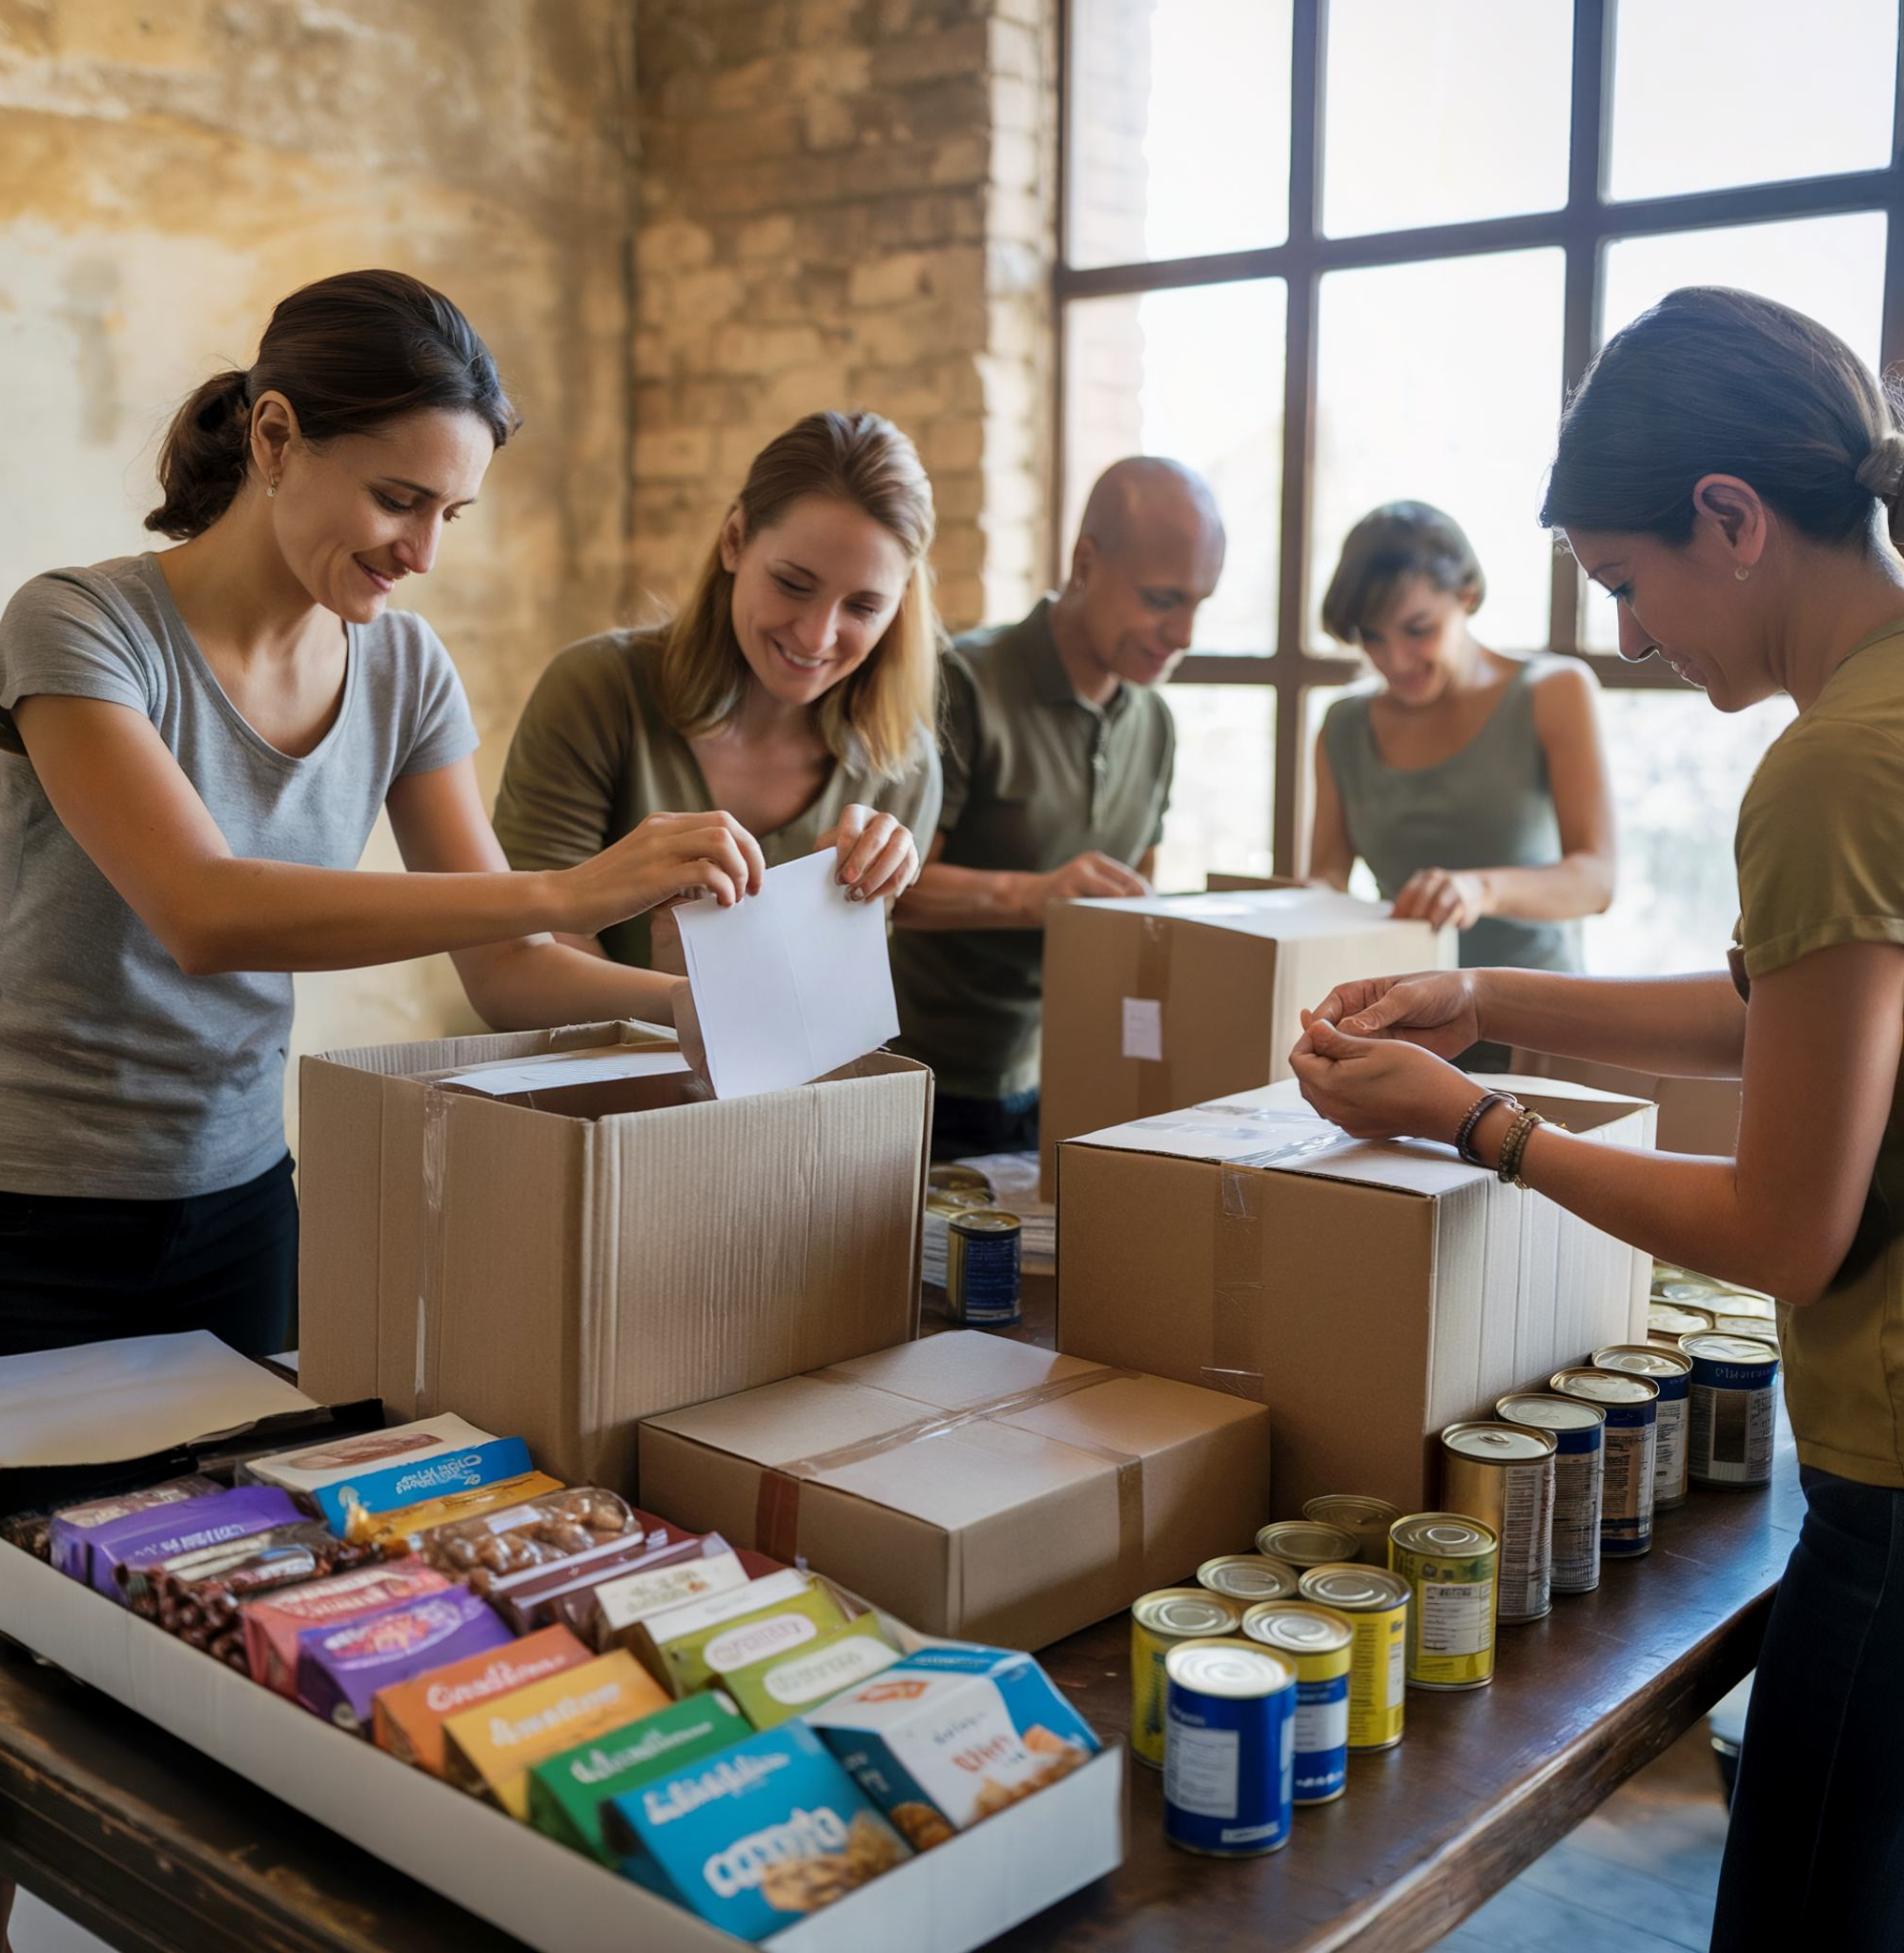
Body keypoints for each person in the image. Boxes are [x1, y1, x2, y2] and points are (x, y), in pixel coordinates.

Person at [1290, 285, 1904, 1950]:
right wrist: (1482, 999)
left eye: (1630, 584)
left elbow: (1784, 1227)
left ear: (1732, 517)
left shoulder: (1833, 764)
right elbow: (1773, 1008)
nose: (1630, 636)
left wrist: (1472, 1120)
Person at [0, 270, 766, 1370]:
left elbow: (509, 968)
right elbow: (204, 910)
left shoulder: (404, 668)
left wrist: (700, 1010)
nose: (422, 552)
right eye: (398, 498)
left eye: (451, 514)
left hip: (241, 1201)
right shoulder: (80, 625)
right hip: (14, 1210)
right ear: (276, 440)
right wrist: (576, 889)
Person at [492, 411, 940, 971]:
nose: (816, 636)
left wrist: (848, 907)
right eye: (793, 584)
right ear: (734, 541)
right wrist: (689, 1004)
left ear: (900, 605)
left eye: (864, 607)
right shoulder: (597, 691)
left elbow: (834, 995)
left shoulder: (905, 763)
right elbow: (525, 958)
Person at [891, 457, 1224, 1158]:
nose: (1186, 634)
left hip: (1075, 1081)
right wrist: (1036, 894)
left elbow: (1135, 907)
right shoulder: (964, 683)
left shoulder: (1156, 725)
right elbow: (894, 892)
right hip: (923, 1079)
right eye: (1164, 600)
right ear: (1084, 563)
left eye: (1201, 603)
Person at [1312, 503, 1615, 1012]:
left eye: (1417, 628)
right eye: (1372, 637)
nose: (1394, 660)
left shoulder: (1553, 691)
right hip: (1405, 1020)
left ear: (1467, 596)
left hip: (1539, 1021)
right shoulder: (1344, 726)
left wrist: (1481, 889)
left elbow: (1597, 880)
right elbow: (1325, 882)